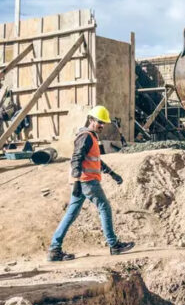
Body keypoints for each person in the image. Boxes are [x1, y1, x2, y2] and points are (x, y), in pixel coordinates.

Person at [47, 106, 134, 261]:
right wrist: (76, 181)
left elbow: (96, 162)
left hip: (83, 182)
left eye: (103, 123)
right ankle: (114, 245)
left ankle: (54, 250)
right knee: (104, 207)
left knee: (71, 215)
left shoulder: (91, 137)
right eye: (99, 122)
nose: (102, 125)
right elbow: (76, 159)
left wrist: (112, 174)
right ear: (91, 120)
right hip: (87, 181)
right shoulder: (86, 137)